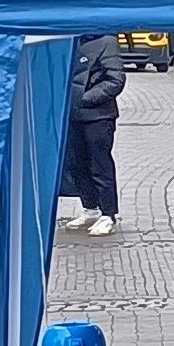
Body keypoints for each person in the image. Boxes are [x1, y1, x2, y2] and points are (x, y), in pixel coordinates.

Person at [60, 33, 125, 236]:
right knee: (76, 163)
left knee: (100, 164)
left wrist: (85, 98)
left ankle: (108, 214)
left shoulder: (107, 42)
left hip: (98, 116)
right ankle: (90, 208)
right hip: (72, 115)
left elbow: (115, 79)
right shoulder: (70, 42)